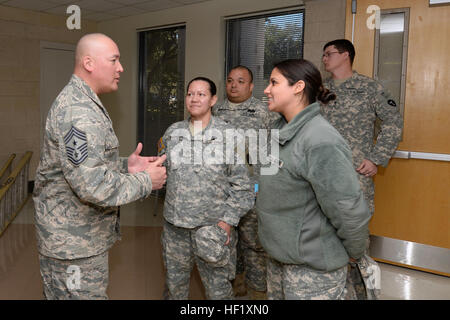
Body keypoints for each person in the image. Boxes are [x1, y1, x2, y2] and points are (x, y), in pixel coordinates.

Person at [33, 33, 167, 300]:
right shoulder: (79, 111)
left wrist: (124, 167)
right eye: (114, 60)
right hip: (73, 244)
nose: (121, 68)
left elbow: (80, 165)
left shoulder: (83, 102)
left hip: (77, 239)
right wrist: (145, 182)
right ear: (89, 63)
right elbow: (91, 185)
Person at [256, 59, 371, 300]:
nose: (266, 90)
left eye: (274, 83)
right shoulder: (279, 131)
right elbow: (269, 185)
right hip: (279, 257)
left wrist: (354, 252)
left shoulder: (320, 139)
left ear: (298, 87)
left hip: (312, 269)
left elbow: (347, 207)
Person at [320, 39, 402, 299]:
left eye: (329, 54)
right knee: (327, 235)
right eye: (323, 55)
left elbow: (393, 122)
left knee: (357, 240)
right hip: (323, 175)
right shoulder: (322, 90)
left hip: (356, 175)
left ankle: (367, 294)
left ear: (346, 56)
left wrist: (376, 158)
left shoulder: (369, 87)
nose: (324, 59)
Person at [159, 77, 254, 299]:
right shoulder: (173, 133)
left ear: (213, 99)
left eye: (201, 94)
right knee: (175, 289)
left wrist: (226, 223)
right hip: (176, 229)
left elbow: (243, 186)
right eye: (190, 94)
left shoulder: (229, 136)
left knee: (218, 291)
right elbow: (163, 171)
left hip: (211, 230)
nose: (194, 99)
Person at [212, 66, 279, 299]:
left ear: (251, 86)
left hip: (254, 190)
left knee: (254, 245)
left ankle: (257, 293)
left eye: (241, 81)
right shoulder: (215, 110)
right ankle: (234, 290)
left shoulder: (265, 111)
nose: (234, 85)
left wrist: (267, 185)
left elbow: (277, 149)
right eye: (230, 80)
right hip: (223, 191)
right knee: (227, 244)